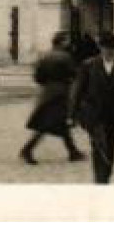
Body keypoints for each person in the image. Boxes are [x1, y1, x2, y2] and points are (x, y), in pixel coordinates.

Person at [68, 30, 114, 185]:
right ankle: (100, 181)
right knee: (99, 147)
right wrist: (72, 115)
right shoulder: (88, 65)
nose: (110, 51)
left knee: (111, 150)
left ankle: (105, 176)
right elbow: (77, 91)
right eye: (107, 47)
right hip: (94, 114)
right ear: (101, 48)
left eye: (113, 47)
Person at [21, 32, 85, 165]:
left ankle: (73, 151)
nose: (69, 43)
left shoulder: (44, 56)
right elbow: (74, 74)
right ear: (62, 42)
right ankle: (27, 149)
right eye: (67, 40)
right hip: (60, 93)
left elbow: (37, 77)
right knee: (47, 124)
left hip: (47, 92)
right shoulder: (65, 57)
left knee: (60, 123)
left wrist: (47, 84)